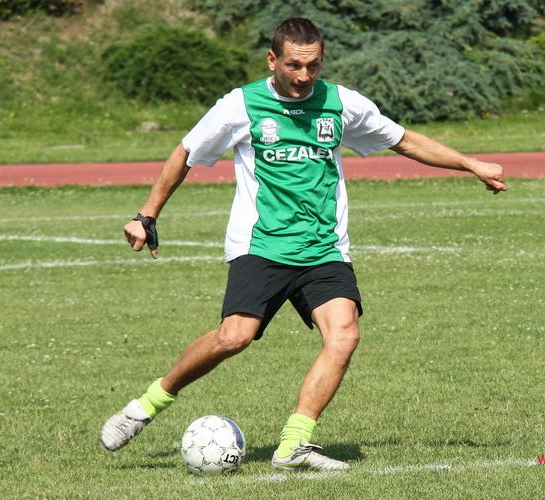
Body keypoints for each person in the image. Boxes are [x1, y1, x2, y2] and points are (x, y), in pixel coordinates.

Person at [101, 17, 507, 471]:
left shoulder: (341, 103)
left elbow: (405, 141)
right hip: (262, 245)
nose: (303, 76)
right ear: (272, 60)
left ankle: (293, 444)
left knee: (345, 335)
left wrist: (471, 164)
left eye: (313, 66)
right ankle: (145, 406)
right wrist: (147, 215)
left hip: (323, 248)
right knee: (234, 337)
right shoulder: (241, 105)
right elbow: (186, 152)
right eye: (293, 65)